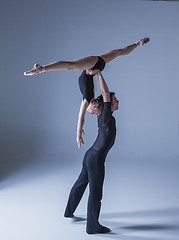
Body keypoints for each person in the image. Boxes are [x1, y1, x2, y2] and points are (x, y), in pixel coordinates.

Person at [24, 38, 150, 148]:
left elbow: (81, 118)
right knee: (71, 65)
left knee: (119, 52)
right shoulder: (89, 99)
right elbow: (81, 117)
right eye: (94, 113)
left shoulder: (87, 99)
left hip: (98, 64)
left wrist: (78, 134)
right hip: (92, 65)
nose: (90, 113)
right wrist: (78, 133)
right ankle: (42, 69)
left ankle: (137, 44)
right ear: (95, 106)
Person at [64, 70, 119, 234]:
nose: (117, 101)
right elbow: (105, 93)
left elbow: (98, 98)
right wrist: (99, 74)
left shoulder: (102, 115)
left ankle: (68, 211)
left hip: (90, 156)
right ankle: (92, 226)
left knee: (80, 184)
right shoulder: (106, 115)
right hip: (95, 160)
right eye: (115, 100)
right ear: (108, 104)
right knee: (96, 193)